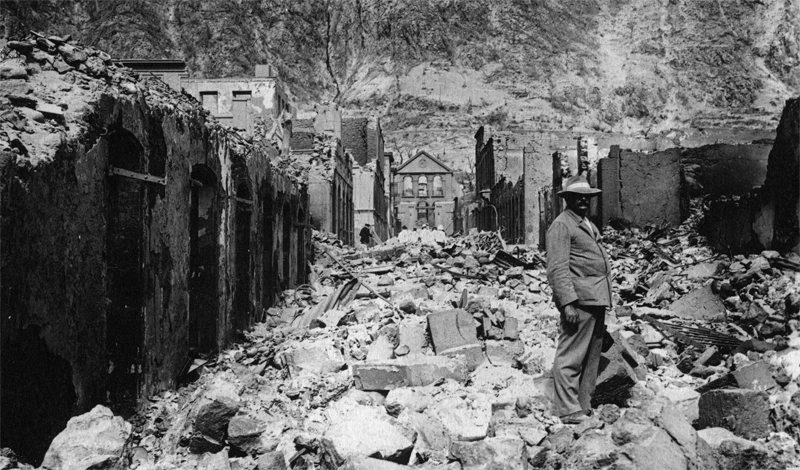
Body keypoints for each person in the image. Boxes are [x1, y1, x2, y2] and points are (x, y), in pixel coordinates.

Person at [545, 174, 612, 425]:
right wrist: (567, 302)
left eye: (587, 197)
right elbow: (557, 268)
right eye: (578, 197)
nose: (583, 201)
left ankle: (583, 406)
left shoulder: (585, 223)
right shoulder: (563, 225)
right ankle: (566, 408)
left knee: (591, 357)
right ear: (568, 199)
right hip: (580, 301)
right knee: (570, 355)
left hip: (595, 298)